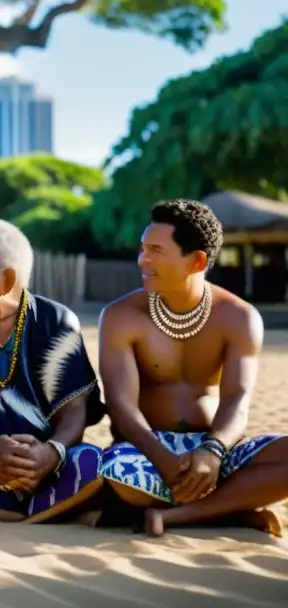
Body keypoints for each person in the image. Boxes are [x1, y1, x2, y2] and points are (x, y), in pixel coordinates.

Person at [99, 199, 288, 537]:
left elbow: (237, 400)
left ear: (197, 260)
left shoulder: (238, 317)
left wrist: (213, 452)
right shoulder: (121, 316)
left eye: (156, 250)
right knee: (115, 472)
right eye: (143, 249)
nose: (143, 259)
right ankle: (231, 510)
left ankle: (176, 515)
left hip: (215, 450)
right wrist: (161, 457)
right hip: (145, 451)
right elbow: (120, 404)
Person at [0, 219, 105, 523]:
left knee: (92, 462)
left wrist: (50, 453)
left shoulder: (57, 321)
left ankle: (5, 513)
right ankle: (41, 513)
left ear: (8, 279)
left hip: (50, 465)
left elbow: (74, 411)